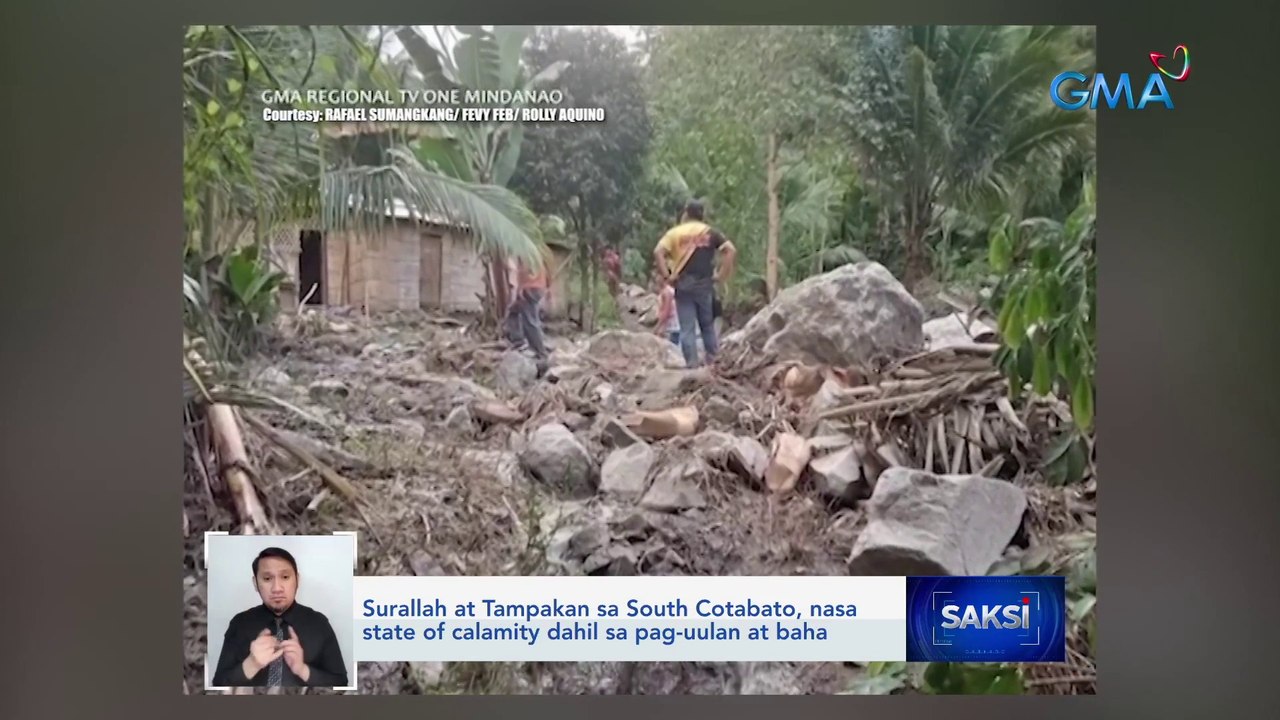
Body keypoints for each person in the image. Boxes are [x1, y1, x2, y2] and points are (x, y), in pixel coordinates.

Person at [211, 547, 348, 688]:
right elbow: (217, 684)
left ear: (297, 580)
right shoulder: (239, 624)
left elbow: (341, 682)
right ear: (255, 583)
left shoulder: (319, 624)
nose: (277, 588)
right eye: (267, 579)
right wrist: (251, 664)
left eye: (285, 577)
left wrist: (303, 670)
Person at [653, 200, 737, 367]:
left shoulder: (675, 233)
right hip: (704, 284)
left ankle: (692, 365)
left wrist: (667, 275)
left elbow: (658, 251)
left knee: (687, 328)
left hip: (683, 284)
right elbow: (730, 250)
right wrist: (721, 275)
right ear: (702, 215)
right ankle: (713, 363)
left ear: (686, 214)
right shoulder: (710, 232)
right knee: (707, 326)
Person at [505, 247, 552, 370]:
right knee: (514, 312)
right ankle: (519, 342)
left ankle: (540, 353)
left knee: (530, 322)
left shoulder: (526, 254)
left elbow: (526, 272)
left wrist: (521, 288)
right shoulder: (536, 253)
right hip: (536, 288)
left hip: (530, 288)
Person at [654, 279, 681, 346]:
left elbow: (666, 311)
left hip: (671, 326)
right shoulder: (668, 290)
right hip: (675, 324)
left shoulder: (667, 292)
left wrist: (658, 326)